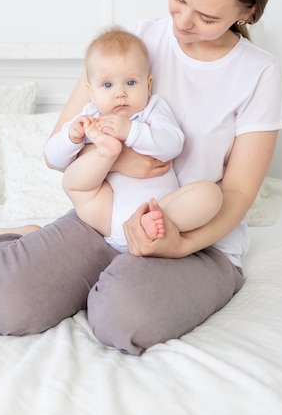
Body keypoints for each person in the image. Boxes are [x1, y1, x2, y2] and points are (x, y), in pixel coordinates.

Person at [0, 0, 282, 356]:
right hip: (106, 220)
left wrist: (179, 243)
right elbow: (61, 145)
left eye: (206, 17)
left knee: (122, 316)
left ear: (245, 13)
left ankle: (116, 277)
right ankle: (21, 240)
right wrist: (119, 161)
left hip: (198, 241)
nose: (183, 21)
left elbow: (237, 193)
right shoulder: (136, 41)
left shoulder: (259, 74)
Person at [44, 27, 223, 252]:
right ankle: (105, 153)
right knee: (74, 182)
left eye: (130, 83)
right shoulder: (89, 117)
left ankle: (149, 223)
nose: (120, 93)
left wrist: (131, 131)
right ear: (91, 92)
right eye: (107, 85)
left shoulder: (151, 110)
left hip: (159, 206)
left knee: (210, 195)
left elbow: (173, 144)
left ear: (147, 85)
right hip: (105, 212)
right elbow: (54, 158)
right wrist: (71, 138)